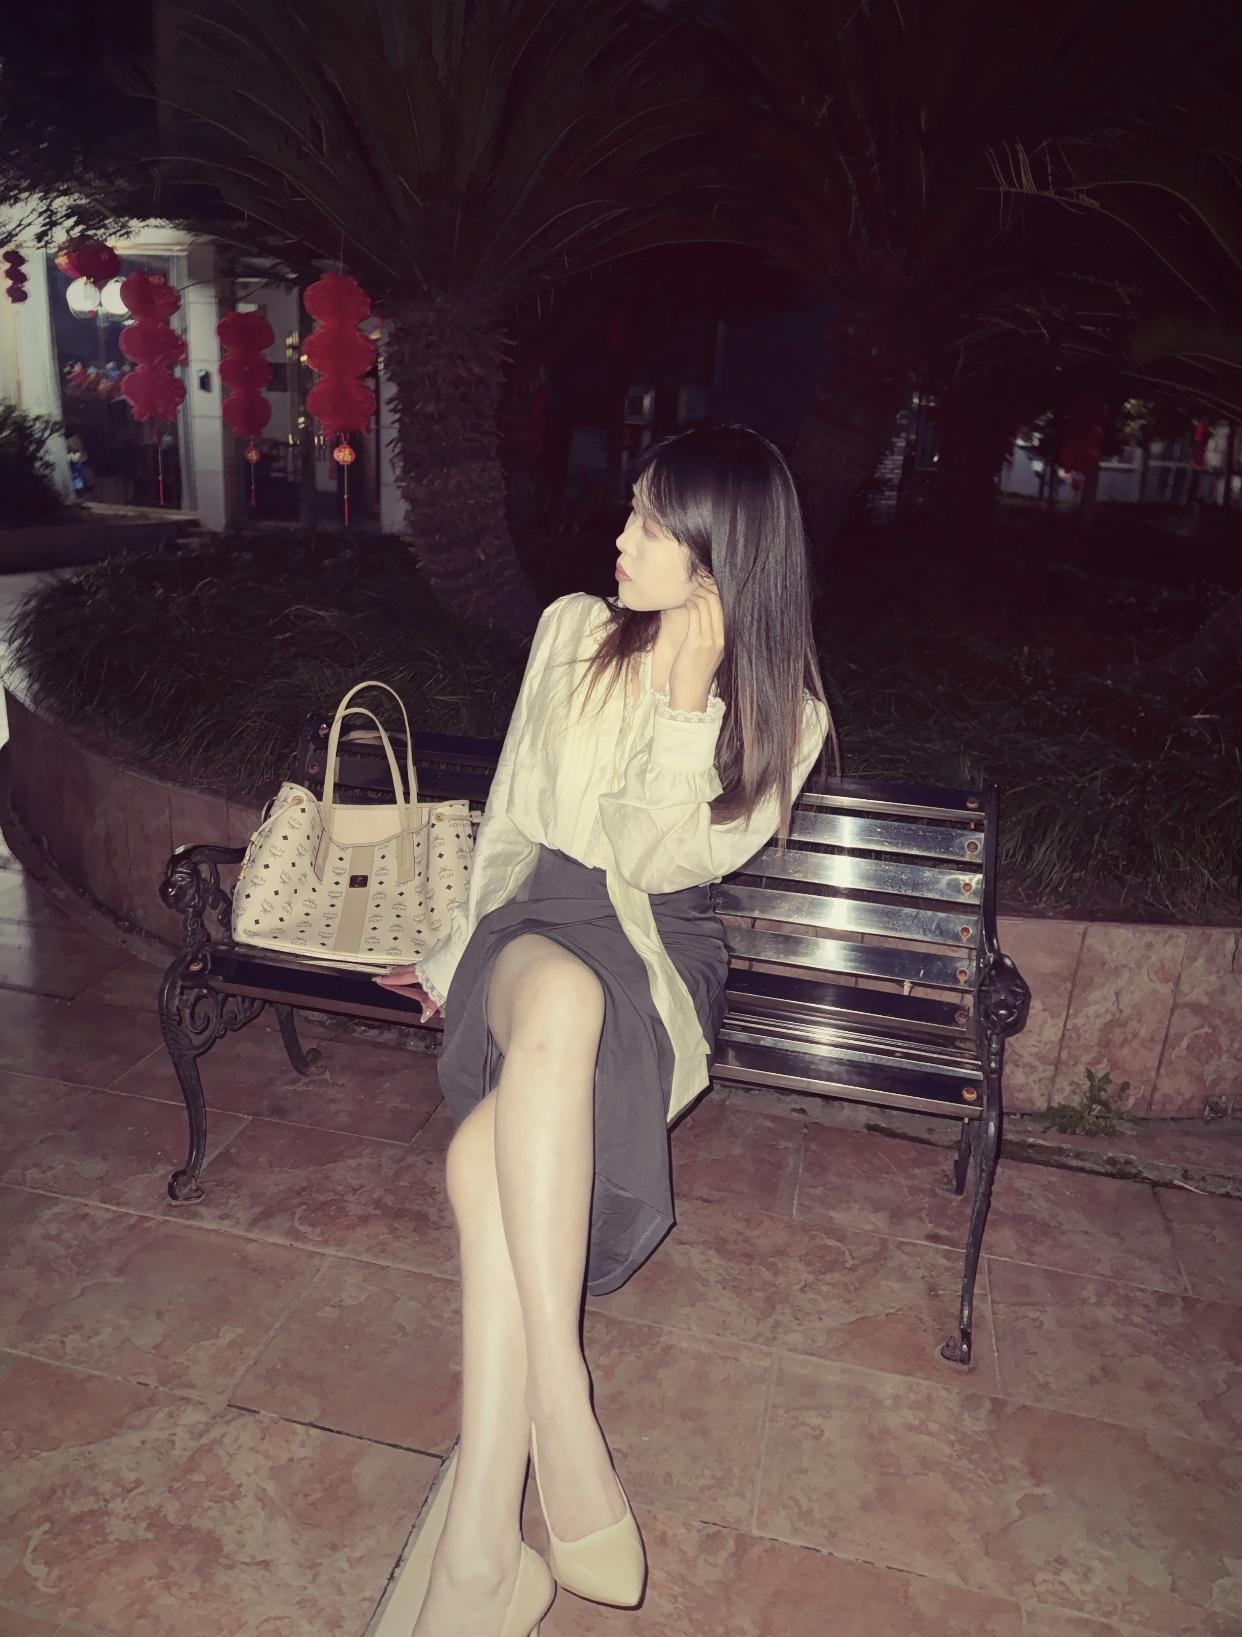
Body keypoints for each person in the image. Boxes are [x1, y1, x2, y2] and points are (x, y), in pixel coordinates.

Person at [371, 423, 835, 1637]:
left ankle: (483, 1552)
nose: (617, 537)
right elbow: (523, 814)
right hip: (535, 924)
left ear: (718, 559)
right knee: (561, 1000)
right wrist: (448, 954)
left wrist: (687, 693)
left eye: (648, 524)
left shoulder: (785, 719)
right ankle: (564, 1406)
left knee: (485, 1163)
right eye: (628, 509)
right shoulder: (573, 630)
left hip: (658, 951)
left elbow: (658, 860)